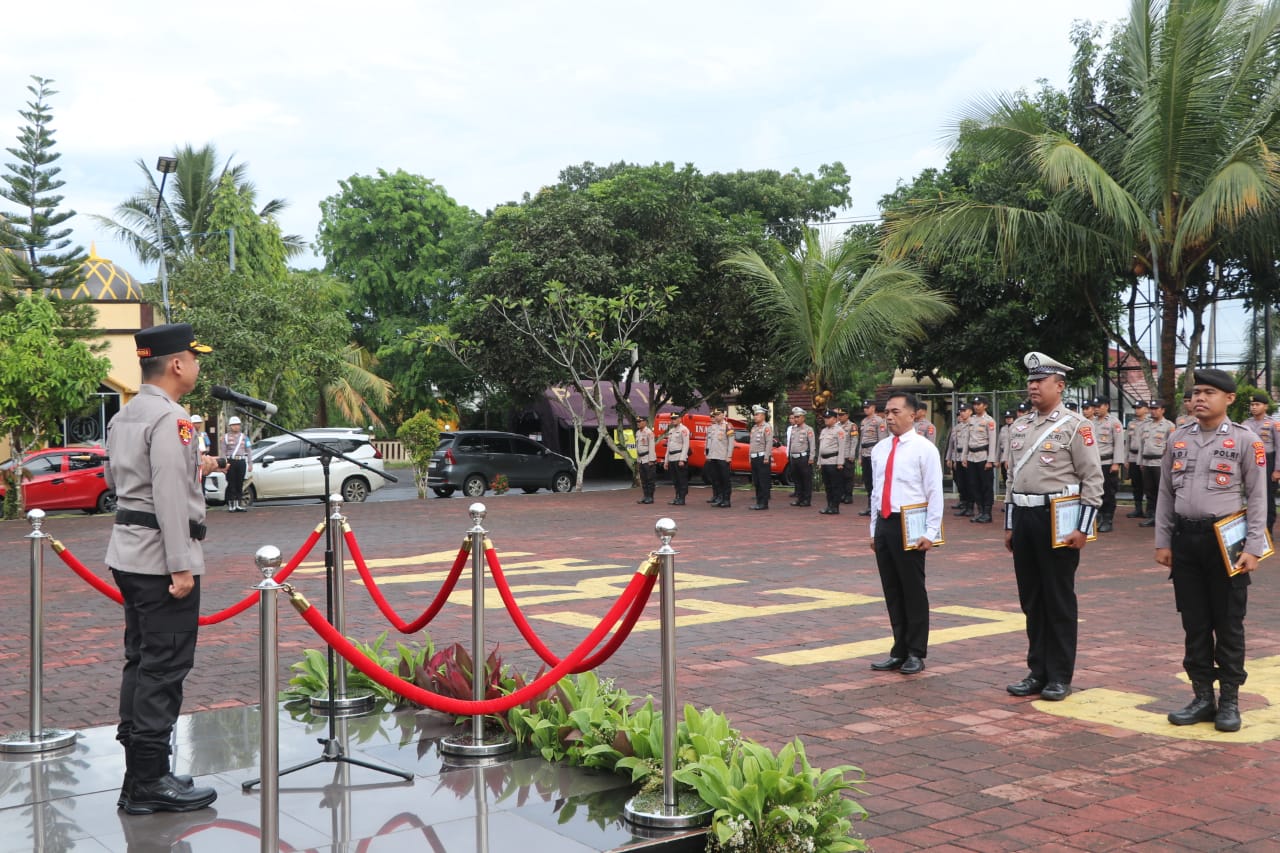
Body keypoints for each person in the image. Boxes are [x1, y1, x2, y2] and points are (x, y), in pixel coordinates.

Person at [106, 322, 223, 815]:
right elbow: (170, 497)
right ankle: (150, 783)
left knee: (141, 659)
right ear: (177, 363)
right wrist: (181, 567)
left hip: (128, 553)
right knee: (165, 666)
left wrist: (199, 465)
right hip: (161, 559)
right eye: (195, 358)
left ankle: (140, 773)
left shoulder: (127, 414)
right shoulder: (174, 420)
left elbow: (133, 480)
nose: (198, 366)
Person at [1155, 369, 1267, 732]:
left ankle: (1230, 701)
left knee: (1229, 624)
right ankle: (1202, 697)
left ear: (1229, 399)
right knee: (1195, 623)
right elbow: (1165, 495)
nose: (1200, 398)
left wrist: (1253, 547)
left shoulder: (1246, 440)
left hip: (1227, 543)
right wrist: (1163, 540)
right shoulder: (1179, 438)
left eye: (1210, 393)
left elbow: (1258, 498)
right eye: (1197, 392)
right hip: (1186, 541)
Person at [1004, 352, 1104, 702]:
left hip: (1058, 518)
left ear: (1059, 386)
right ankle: (1037, 671)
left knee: (1058, 599)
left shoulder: (1077, 426)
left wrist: (1083, 528)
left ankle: (1059, 675)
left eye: (1040, 381)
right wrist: (1010, 523)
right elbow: (1011, 478)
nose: (1033, 386)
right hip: (1026, 518)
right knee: (1031, 599)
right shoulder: (1018, 427)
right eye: (1031, 381)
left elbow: (1093, 479)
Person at [868, 392, 944, 675]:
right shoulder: (881, 449)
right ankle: (898, 649)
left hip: (911, 524)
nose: (889, 417)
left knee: (912, 589)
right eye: (887, 412)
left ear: (913, 415)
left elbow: (934, 492)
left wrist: (931, 531)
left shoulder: (924, 449)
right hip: (886, 521)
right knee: (892, 589)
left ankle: (916, 651)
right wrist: (874, 529)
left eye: (895, 411)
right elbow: (876, 491)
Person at [1246, 392, 1280, 535]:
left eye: (1257, 404)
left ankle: (1268, 528)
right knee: (1251, 496)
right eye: (1252, 405)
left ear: (1265, 406)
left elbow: (1279, 447)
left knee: (1267, 497)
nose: (1254, 407)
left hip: (1268, 462)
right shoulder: (1245, 424)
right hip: (1250, 462)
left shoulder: (1273, 424)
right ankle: (1253, 529)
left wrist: (1277, 469)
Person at [1138, 400, 1174, 528]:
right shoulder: (1146, 425)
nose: (1153, 411)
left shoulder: (1168, 426)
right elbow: (1142, 445)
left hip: (1160, 462)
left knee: (1161, 491)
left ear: (1163, 410)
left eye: (1156, 408)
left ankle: (1162, 517)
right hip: (1147, 462)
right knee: (1149, 491)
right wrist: (1140, 462)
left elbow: (1172, 447)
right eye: (1151, 408)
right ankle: (1151, 515)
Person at [1091, 397, 1124, 533]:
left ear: (1107, 406)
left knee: (1108, 492)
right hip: (1094, 463)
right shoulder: (1091, 422)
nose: (1096, 409)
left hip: (1107, 462)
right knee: (1094, 491)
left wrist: (1116, 463)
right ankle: (1098, 517)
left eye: (1099, 406)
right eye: (1095, 406)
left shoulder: (1114, 423)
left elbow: (1119, 444)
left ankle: (1107, 519)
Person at [963, 395, 997, 523]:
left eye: (979, 404)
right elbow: (967, 439)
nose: (976, 406)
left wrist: (990, 460)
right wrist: (964, 457)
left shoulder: (989, 421)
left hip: (983, 456)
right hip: (971, 456)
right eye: (975, 404)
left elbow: (993, 441)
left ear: (985, 405)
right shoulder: (971, 420)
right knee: (974, 484)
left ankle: (987, 513)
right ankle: (980, 511)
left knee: (986, 485)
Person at [857, 399, 887, 516]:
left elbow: (882, 440)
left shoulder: (879, 421)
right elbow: (862, 441)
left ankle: (877, 506)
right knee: (868, 482)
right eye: (864, 408)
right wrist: (859, 456)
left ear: (873, 408)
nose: (865, 409)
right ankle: (870, 506)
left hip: (873, 454)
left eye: (868, 407)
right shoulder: (864, 421)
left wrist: (880, 455)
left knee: (876, 482)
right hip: (865, 454)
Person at [817, 409, 847, 515]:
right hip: (824, 461)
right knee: (827, 486)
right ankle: (829, 505)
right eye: (825, 418)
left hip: (833, 461)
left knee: (835, 485)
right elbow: (821, 448)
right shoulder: (824, 430)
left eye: (828, 418)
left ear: (834, 419)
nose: (826, 420)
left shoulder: (839, 431)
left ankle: (835, 507)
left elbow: (842, 448)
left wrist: (840, 463)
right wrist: (819, 462)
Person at [220, 416, 253, 512]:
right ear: (230, 426)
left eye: (237, 425)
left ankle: (238, 504)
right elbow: (223, 452)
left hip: (241, 461)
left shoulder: (244, 437)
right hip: (231, 461)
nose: (236, 427)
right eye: (233, 425)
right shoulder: (225, 437)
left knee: (240, 483)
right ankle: (231, 504)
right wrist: (223, 465)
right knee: (231, 483)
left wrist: (250, 463)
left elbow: (249, 451)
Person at [1126, 400, 1151, 520]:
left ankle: (1150, 510)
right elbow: (1127, 443)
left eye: (1139, 407)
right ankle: (1138, 508)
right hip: (1133, 456)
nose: (1137, 410)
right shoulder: (1131, 423)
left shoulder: (1151, 423)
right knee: (1136, 484)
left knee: (1148, 484)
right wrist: (1126, 459)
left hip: (1146, 458)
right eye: (1135, 407)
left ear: (1146, 409)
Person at [704, 408, 734, 508]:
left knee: (725, 479)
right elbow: (709, 443)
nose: (716, 416)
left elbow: (731, 442)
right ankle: (720, 498)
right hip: (713, 457)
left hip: (723, 457)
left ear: (723, 414)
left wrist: (729, 456)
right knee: (716, 479)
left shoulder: (728, 426)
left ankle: (726, 500)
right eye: (715, 415)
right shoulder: (712, 427)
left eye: (718, 414)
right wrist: (708, 455)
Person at [946, 402, 973, 516]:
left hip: (968, 457)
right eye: (960, 411)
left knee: (969, 483)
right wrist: (950, 458)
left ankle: (971, 507)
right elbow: (952, 445)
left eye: (963, 411)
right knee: (961, 483)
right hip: (957, 456)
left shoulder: (973, 425)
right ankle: (965, 505)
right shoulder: (957, 427)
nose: (961, 414)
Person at [787, 407, 815, 507]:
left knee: (806, 479)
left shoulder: (808, 429)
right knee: (797, 479)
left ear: (803, 417)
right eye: (794, 417)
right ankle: (799, 498)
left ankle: (806, 500)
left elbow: (812, 444)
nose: (796, 419)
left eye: (798, 417)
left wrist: (811, 457)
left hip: (803, 457)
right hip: (794, 457)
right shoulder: (793, 429)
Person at [747, 405, 773, 510]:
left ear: (763, 416)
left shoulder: (766, 427)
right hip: (754, 457)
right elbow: (751, 444)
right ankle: (758, 501)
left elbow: (769, 442)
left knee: (763, 481)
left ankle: (764, 503)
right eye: (755, 414)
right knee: (757, 481)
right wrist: (750, 456)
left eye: (757, 414)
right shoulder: (754, 428)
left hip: (762, 457)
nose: (755, 416)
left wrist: (766, 456)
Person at [663, 414, 691, 505]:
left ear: (680, 419)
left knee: (681, 479)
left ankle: (682, 498)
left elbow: (686, 445)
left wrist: (682, 459)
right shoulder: (671, 431)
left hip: (679, 457)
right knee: (675, 480)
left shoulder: (684, 430)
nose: (673, 420)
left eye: (675, 418)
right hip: (672, 458)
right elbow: (668, 447)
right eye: (672, 419)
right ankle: (677, 496)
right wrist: (666, 461)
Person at [835, 408, 859, 504]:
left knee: (848, 476)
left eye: (842, 415)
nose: (839, 417)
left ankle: (848, 495)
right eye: (839, 415)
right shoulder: (836, 426)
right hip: (838, 455)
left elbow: (854, 440)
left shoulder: (852, 426)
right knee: (839, 477)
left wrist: (852, 454)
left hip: (847, 454)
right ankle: (841, 494)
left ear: (847, 415)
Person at [635, 416, 657, 504]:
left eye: (640, 421)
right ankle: (645, 496)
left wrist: (651, 460)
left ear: (645, 422)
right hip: (641, 459)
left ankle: (650, 497)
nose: (638, 423)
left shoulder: (649, 433)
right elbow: (638, 447)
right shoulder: (638, 433)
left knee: (650, 479)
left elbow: (652, 447)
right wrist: (638, 460)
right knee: (643, 479)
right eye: (637, 422)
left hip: (648, 458)